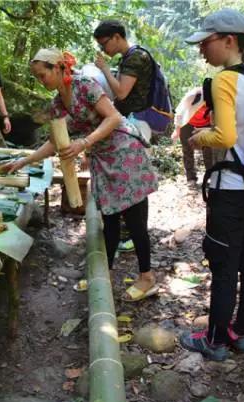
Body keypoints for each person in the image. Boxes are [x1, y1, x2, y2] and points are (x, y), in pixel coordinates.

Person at [6, 48, 159, 301]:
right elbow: (54, 141)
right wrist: (24, 160)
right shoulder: (57, 104)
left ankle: (147, 277)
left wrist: (84, 143)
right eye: (37, 77)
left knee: (134, 219)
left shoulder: (84, 85)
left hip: (124, 153)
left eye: (42, 75)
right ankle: (105, 275)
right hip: (103, 157)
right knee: (109, 218)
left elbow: (113, 117)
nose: (40, 81)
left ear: (58, 68)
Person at [179, 9, 244, 361]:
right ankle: (240, 333)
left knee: (224, 264)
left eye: (206, 42)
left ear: (229, 41)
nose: (201, 50)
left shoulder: (225, 80)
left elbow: (224, 134)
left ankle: (213, 341)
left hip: (231, 191)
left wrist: (198, 139)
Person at [94, 20, 154, 253]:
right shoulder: (128, 57)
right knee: (132, 184)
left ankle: (135, 234)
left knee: (135, 185)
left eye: (104, 43)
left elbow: (121, 91)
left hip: (138, 120)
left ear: (117, 37)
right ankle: (131, 232)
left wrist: (104, 69)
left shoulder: (135, 57)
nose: (104, 49)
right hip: (132, 119)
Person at [173, 87, 220, 185]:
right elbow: (180, 112)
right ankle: (191, 178)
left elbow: (217, 118)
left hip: (206, 124)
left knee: (209, 150)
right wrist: (177, 130)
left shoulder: (217, 99)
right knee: (187, 150)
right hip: (188, 123)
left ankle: (210, 176)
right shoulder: (193, 96)